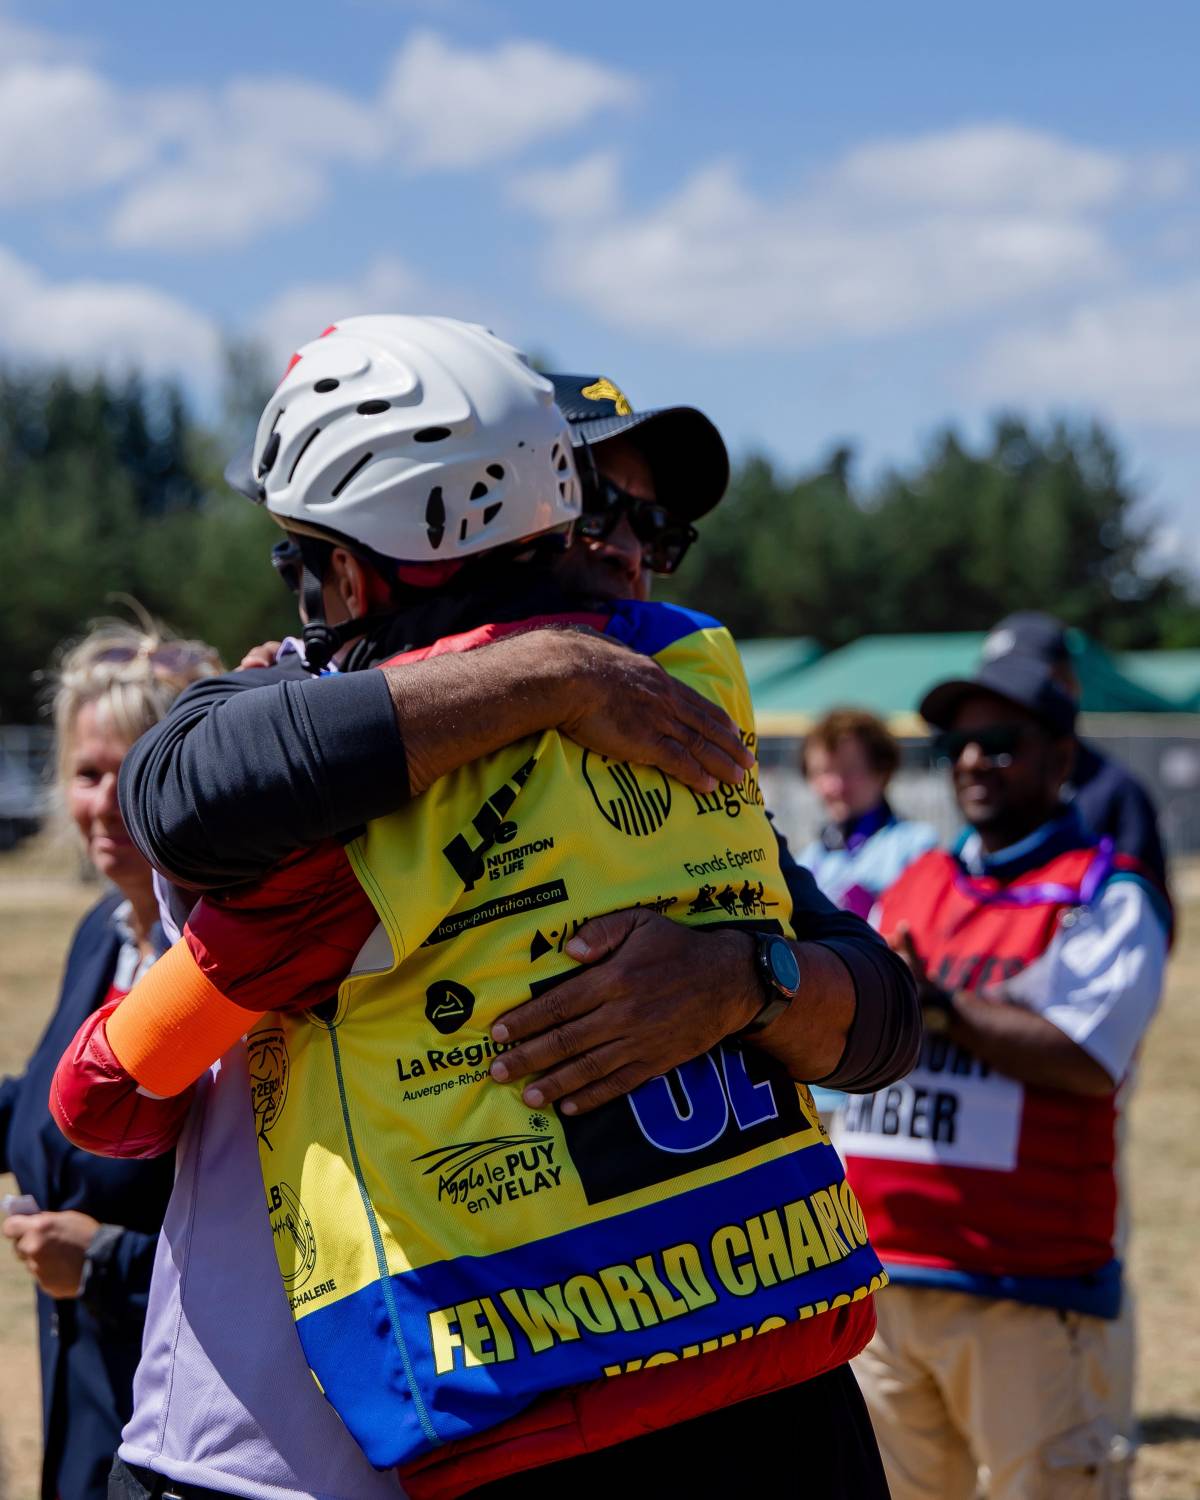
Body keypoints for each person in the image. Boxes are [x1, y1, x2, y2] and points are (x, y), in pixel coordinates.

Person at [55, 317, 909, 1498]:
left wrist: (738, 981)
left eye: (658, 527)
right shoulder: (319, 717)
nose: (623, 554)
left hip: (680, 1379)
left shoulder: (667, 748)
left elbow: (882, 1013)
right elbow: (186, 792)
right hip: (309, 1432)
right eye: (597, 508)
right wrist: (553, 674)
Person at [838, 651, 1171, 1500]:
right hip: (884, 1284)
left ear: (1063, 758)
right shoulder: (917, 881)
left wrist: (939, 1004)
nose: (971, 760)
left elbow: (1087, 1060)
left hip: (1023, 1288)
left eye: (1000, 742)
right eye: (956, 742)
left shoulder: (1105, 894)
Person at [0, 620, 220, 1500]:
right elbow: (56, 1110)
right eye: (91, 775)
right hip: (85, 1396)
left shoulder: (224, 961)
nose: (109, 805)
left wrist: (105, 1261)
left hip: (188, 1426)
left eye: (141, 774)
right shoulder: (103, 933)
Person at [982, 611, 1168, 885]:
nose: (1008, 696)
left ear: (1068, 684)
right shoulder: (985, 785)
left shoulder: (1114, 792)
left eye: (1026, 681)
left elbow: (1145, 907)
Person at [798, 708, 938, 918]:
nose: (834, 786)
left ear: (882, 771)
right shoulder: (808, 860)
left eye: (849, 771)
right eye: (823, 772)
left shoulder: (916, 847)